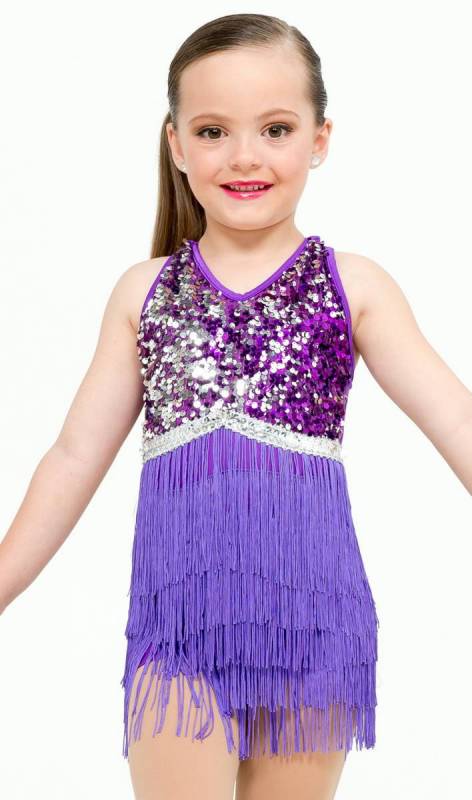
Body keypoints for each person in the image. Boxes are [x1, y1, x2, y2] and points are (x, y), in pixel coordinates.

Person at [1, 11, 471, 800]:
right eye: (213, 131)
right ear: (177, 145)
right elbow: (73, 457)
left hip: (315, 632)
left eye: (275, 129)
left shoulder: (352, 285)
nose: (244, 156)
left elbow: (456, 418)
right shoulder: (146, 294)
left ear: (319, 139)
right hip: (179, 636)